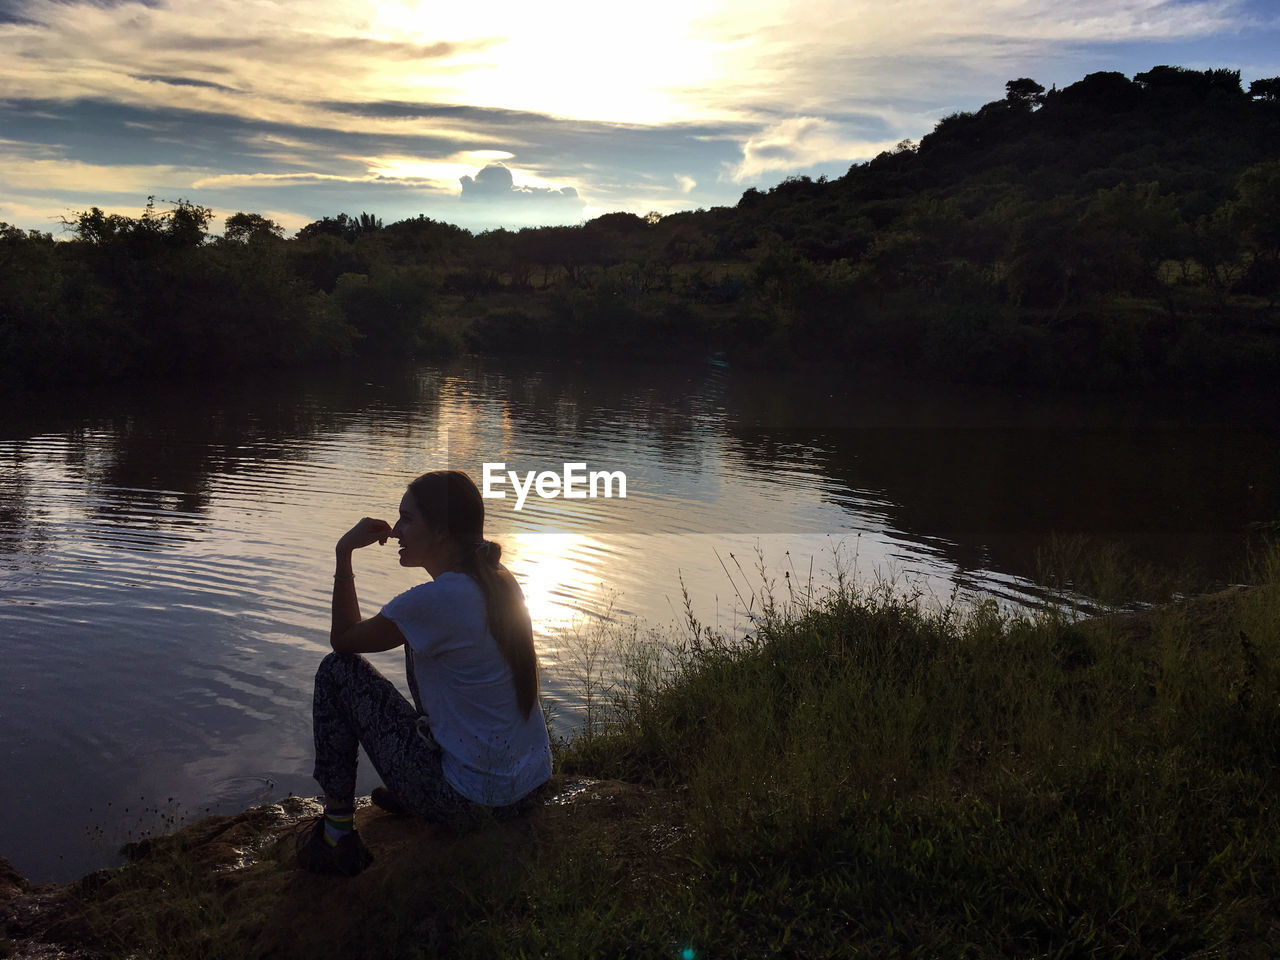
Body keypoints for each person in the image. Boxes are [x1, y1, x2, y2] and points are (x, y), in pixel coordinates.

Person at [295, 469, 552, 877]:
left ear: (442, 533)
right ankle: (422, 782)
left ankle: (336, 834)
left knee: (336, 673)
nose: (396, 531)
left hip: (475, 801)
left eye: (407, 519)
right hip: (527, 785)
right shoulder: (500, 581)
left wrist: (344, 552)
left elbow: (342, 640)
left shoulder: (437, 600)